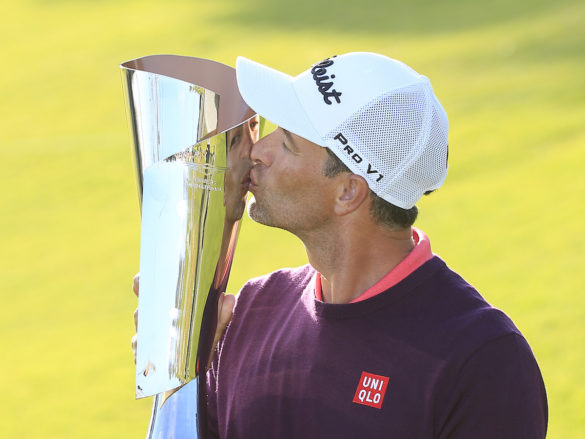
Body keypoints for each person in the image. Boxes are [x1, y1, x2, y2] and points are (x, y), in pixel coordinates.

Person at [134, 52, 548, 438]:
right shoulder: (250, 313)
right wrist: (181, 380)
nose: (258, 151)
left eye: (288, 141)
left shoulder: (482, 360)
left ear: (348, 192)